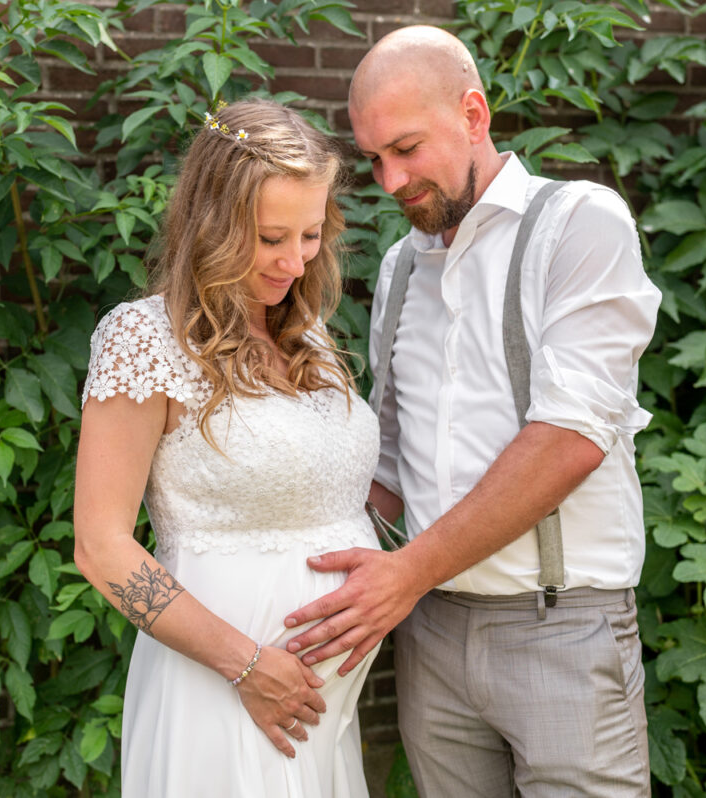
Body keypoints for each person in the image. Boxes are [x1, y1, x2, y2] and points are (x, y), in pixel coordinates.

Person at [282, 25, 661, 797]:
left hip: (562, 626)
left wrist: (406, 572)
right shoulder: (399, 268)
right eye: (375, 159)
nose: (389, 180)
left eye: (407, 148)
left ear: (475, 114)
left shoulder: (579, 224)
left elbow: (571, 438)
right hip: (429, 632)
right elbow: (390, 461)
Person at [73, 98, 381, 798]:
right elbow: (100, 546)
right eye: (270, 237)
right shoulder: (145, 340)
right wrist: (247, 666)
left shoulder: (311, 337)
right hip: (225, 690)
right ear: (212, 223)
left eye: (310, 235)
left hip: (318, 713)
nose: (295, 262)